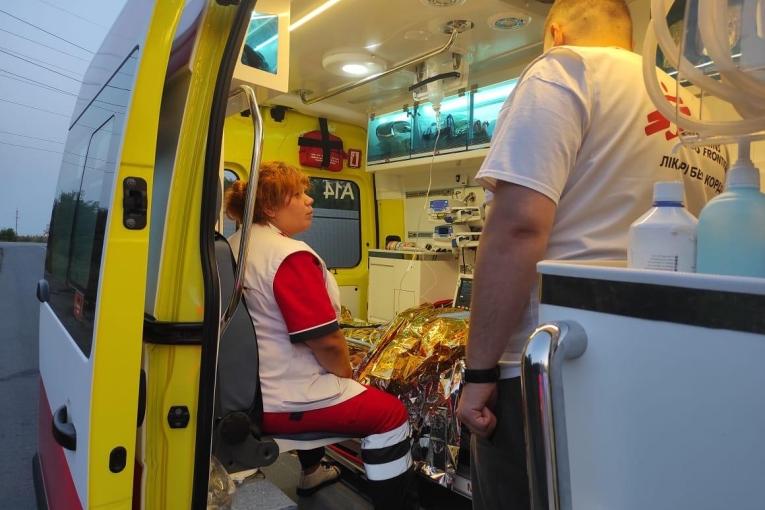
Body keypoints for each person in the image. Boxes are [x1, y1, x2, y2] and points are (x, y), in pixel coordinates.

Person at [455, 1, 728, 509]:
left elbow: (517, 226)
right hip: (666, 363)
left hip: (553, 365)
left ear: (555, 32)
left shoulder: (564, 70)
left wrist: (479, 373)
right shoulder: (699, 111)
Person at [225, 161, 417, 508]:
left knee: (326, 380)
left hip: (250, 390)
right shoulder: (288, 256)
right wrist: (347, 374)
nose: (309, 201)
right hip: (284, 398)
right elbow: (325, 341)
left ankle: (312, 472)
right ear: (269, 207)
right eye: (298, 194)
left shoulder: (236, 244)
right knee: (391, 415)